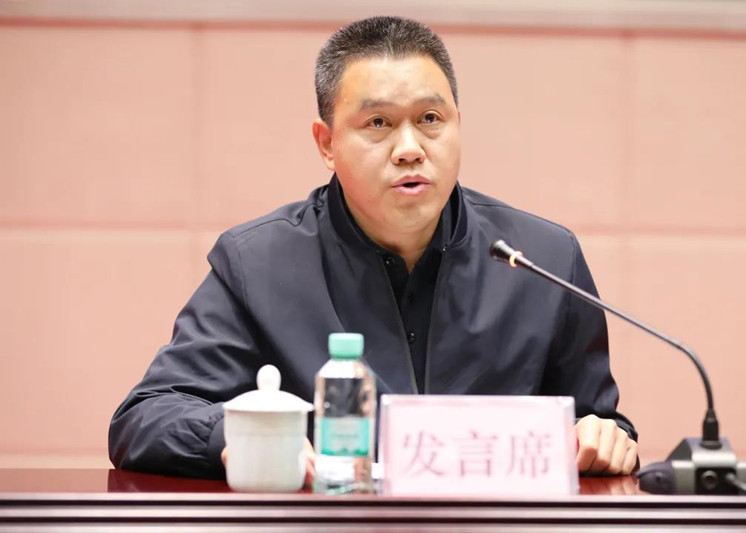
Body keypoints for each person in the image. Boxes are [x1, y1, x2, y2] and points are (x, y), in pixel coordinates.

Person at [109, 16, 638, 482]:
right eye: (378, 123)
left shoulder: (544, 259)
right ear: (327, 143)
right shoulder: (259, 263)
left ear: (457, 124)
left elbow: (600, 425)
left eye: (430, 120)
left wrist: (604, 436)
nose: (410, 149)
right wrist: (244, 435)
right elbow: (145, 416)